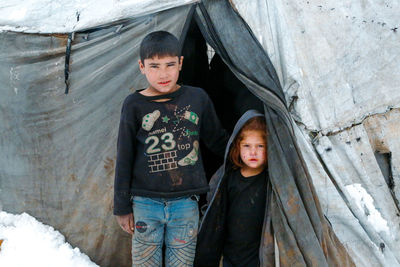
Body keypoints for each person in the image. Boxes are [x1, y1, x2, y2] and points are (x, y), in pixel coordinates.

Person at [113, 30, 228, 266]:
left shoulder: (197, 98)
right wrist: (122, 206)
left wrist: (246, 149)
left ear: (181, 63)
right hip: (145, 203)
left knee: (182, 263)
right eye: (154, 66)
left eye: (169, 65)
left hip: (186, 202)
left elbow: (216, 139)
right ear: (141, 66)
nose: (163, 74)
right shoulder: (134, 105)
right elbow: (124, 156)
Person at [194, 110, 269, 267]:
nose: (253, 152)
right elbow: (215, 210)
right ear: (237, 146)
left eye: (260, 146)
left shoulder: (271, 180)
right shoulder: (229, 178)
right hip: (232, 251)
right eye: (247, 146)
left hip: (260, 253)